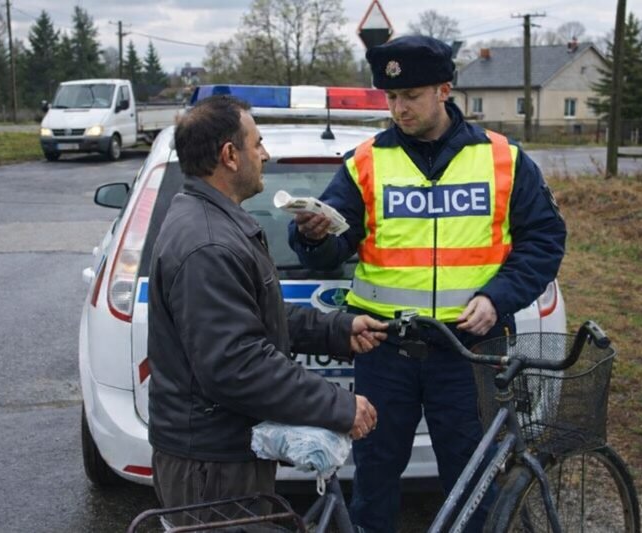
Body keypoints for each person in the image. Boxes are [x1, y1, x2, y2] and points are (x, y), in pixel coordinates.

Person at [288, 35, 567, 532]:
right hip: (385, 350)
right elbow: (333, 245)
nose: (399, 108)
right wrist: (310, 236)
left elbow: (545, 241)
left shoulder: (504, 159)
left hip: (470, 351)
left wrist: (497, 297)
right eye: (391, 98)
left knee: (474, 479)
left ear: (444, 89)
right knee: (374, 478)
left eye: (411, 96)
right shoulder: (366, 163)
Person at [147, 94, 387, 528]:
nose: (265, 154)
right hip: (211, 464)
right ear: (229, 156)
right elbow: (237, 365)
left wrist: (337, 331)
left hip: (220, 452)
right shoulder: (209, 244)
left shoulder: (215, 223)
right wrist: (337, 404)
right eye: (257, 144)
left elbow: (255, 318)